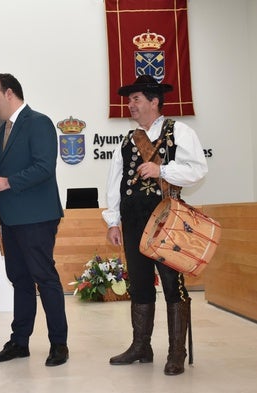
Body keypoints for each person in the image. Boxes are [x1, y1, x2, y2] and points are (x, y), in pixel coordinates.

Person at [102, 74, 208, 376]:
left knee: (173, 285)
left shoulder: (180, 131)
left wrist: (164, 169)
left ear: (154, 101)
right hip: (133, 222)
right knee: (139, 284)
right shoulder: (126, 140)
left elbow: (198, 170)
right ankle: (141, 346)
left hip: (167, 220)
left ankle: (177, 351)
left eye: (136, 99)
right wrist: (113, 221)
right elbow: (115, 184)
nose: (130, 105)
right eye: (130, 100)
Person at [0, 73, 68, 367]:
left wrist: (5, 183)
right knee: (19, 279)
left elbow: (44, 167)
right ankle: (20, 341)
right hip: (10, 217)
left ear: (9, 94)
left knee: (44, 278)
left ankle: (59, 343)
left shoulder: (39, 122)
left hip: (37, 217)